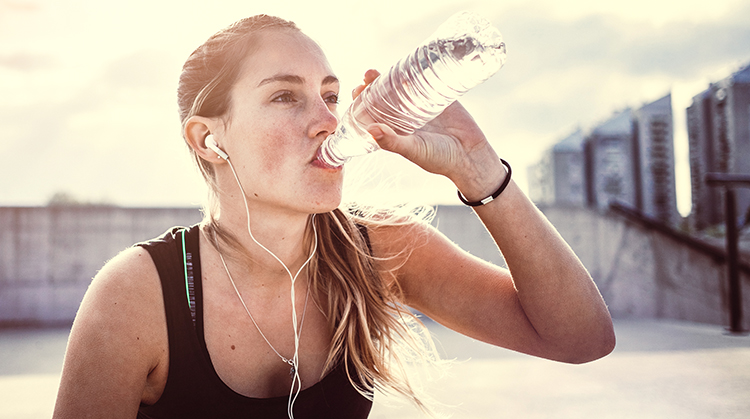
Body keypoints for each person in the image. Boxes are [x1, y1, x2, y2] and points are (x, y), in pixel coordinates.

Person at [53, 14, 615, 419]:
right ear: (209, 138)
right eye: (284, 97)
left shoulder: (379, 250)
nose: (327, 118)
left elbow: (581, 338)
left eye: (329, 95)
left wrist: (480, 171)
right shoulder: (138, 294)